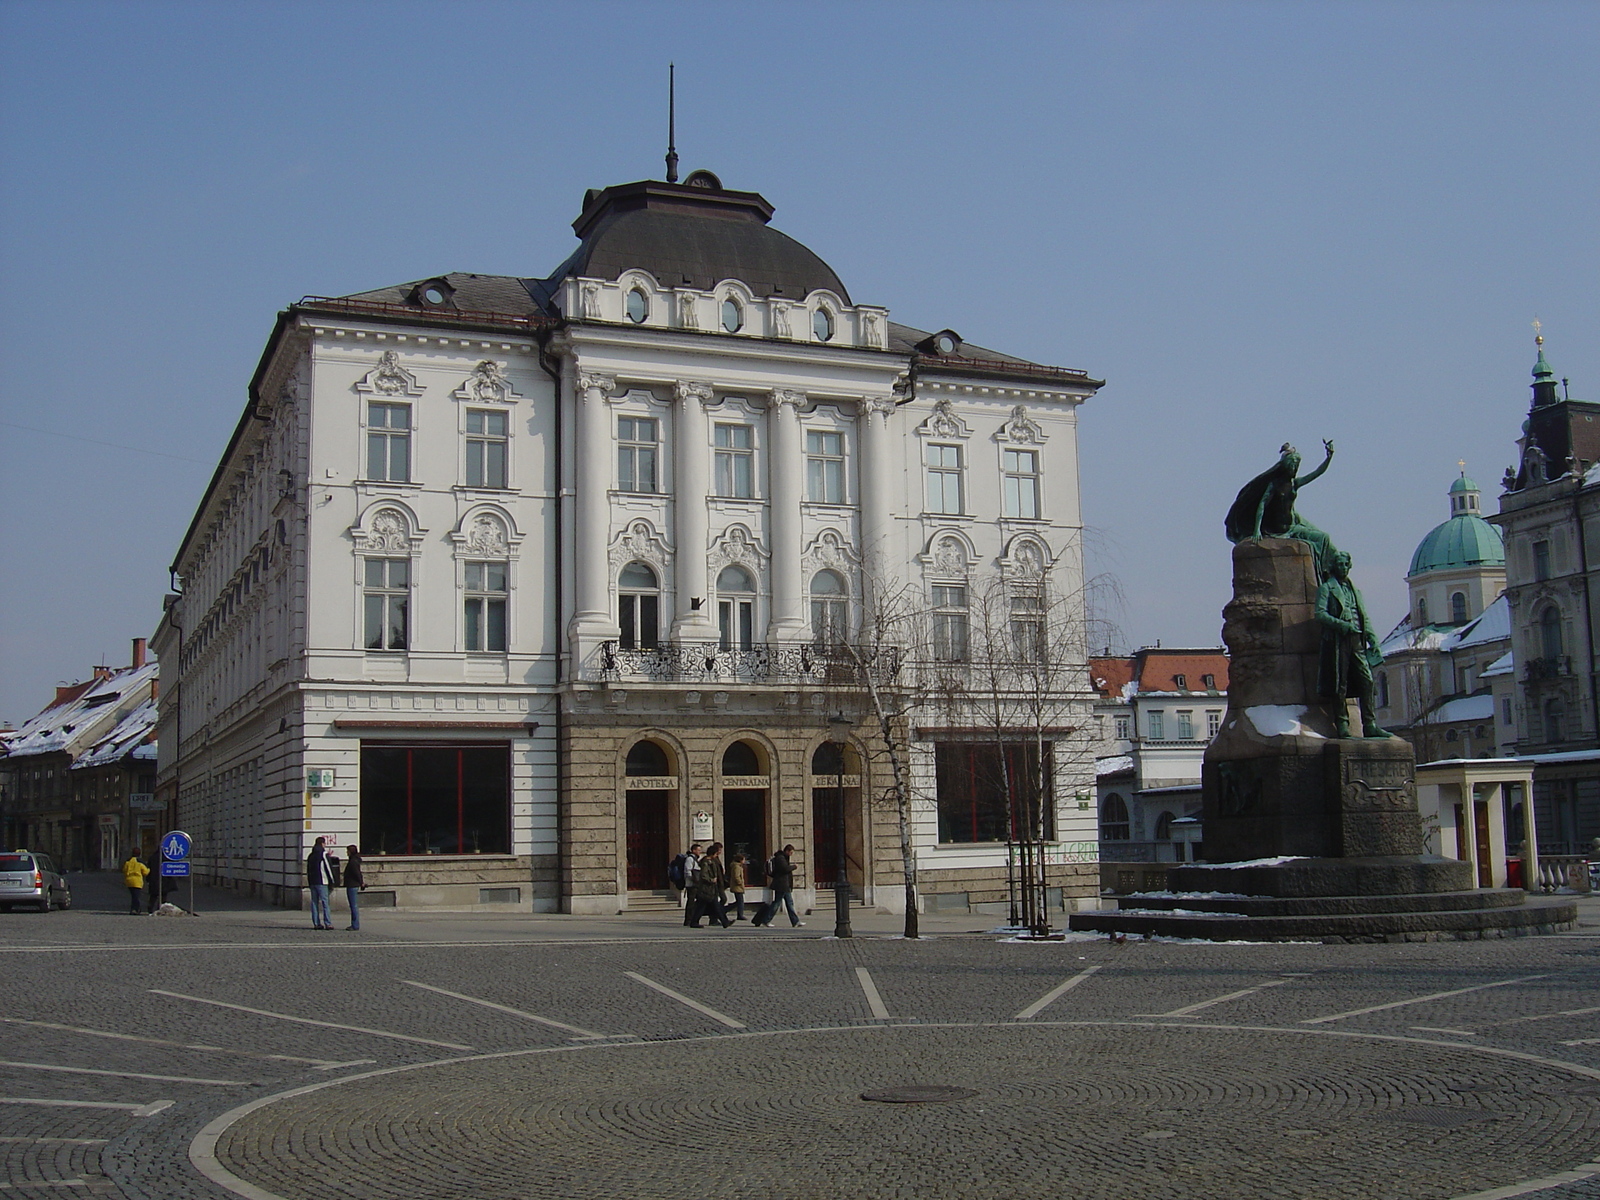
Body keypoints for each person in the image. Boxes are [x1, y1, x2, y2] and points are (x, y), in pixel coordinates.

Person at [1315, 550, 1390, 739]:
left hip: (1357, 641)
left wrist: (1373, 640)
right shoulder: (1327, 588)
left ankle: (1370, 725)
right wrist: (1341, 625)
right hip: (1338, 641)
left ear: (1349, 566)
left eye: (1345, 564)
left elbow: (1364, 618)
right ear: (1333, 567)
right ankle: (1342, 724)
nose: (1342, 568)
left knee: (1367, 681)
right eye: (1339, 564)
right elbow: (1320, 614)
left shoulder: (1356, 591)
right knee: (1340, 684)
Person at [753, 844, 803, 928]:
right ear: (787, 851)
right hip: (781, 885)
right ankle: (766, 920)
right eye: (791, 852)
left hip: (784, 885)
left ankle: (795, 921)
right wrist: (794, 867)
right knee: (777, 903)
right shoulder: (780, 858)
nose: (791, 854)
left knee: (789, 903)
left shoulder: (783, 858)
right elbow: (785, 869)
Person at [691, 842, 733, 929]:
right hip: (707, 888)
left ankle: (694, 921)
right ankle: (724, 922)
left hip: (710, 889)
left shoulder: (710, 861)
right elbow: (703, 875)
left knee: (702, 906)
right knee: (710, 906)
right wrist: (711, 880)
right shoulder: (706, 862)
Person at [306, 837, 338, 930]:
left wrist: (309, 882)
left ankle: (316, 923)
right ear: (322, 844)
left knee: (314, 903)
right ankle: (328, 923)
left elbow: (308, 870)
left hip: (313, 882)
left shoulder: (311, 855)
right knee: (325, 903)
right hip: (322, 881)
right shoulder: (323, 854)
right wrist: (332, 881)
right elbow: (328, 868)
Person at [342, 844, 365, 931]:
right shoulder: (354, 860)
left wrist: (361, 882)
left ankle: (355, 924)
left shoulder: (353, 862)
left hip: (352, 884)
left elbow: (357, 873)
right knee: (353, 905)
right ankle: (354, 924)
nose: (346, 853)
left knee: (353, 906)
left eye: (347, 851)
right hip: (352, 884)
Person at [681, 842, 703, 927]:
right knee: (691, 902)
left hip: (695, 884)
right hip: (691, 884)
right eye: (698, 850)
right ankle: (689, 920)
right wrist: (693, 879)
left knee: (695, 902)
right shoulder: (690, 859)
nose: (699, 852)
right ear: (693, 850)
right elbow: (687, 871)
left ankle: (692, 919)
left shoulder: (695, 859)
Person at [727, 853, 748, 921]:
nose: (744, 861)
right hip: (737, 886)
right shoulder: (737, 867)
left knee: (739, 901)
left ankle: (739, 913)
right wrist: (740, 883)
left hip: (738, 886)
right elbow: (736, 876)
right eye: (743, 859)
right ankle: (739, 914)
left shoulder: (738, 866)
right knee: (740, 901)